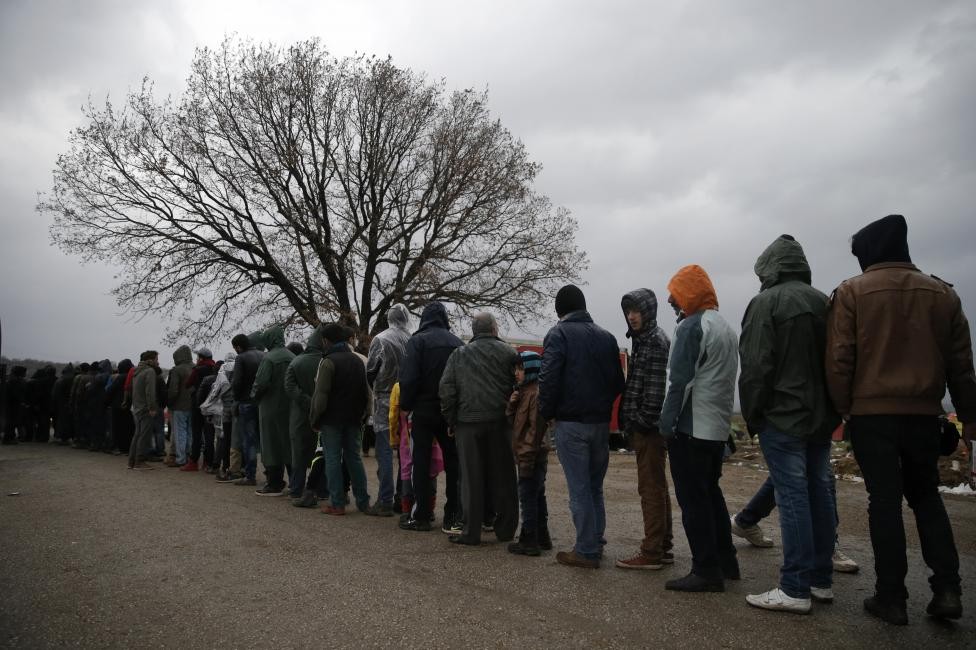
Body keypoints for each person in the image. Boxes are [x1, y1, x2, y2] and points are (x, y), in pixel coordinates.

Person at [826, 214, 976, 624]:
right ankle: (947, 590)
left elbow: (840, 359)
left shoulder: (852, 292)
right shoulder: (943, 294)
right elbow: (961, 365)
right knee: (927, 497)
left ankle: (890, 597)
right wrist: (969, 417)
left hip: (872, 416)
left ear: (869, 252)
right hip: (926, 415)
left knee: (885, 502)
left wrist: (843, 407)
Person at [738, 235, 839, 614]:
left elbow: (755, 366)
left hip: (782, 415)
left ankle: (794, 586)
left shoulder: (766, 303)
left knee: (793, 495)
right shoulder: (823, 301)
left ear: (768, 268)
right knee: (819, 491)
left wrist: (754, 414)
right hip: (821, 415)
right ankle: (820, 580)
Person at [659, 265, 739, 592]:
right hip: (717, 429)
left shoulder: (691, 327)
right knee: (711, 495)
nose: (674, 304)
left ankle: (705, 570)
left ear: (688, 294)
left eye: (676, 297)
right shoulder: (724, 327)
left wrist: (666, 425)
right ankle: (726, 560)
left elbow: (680, 382)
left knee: (693, 502)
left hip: (691, 429)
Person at [539, 285, 625, 569]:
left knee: (579, 489)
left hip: (571, 422)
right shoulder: (607, 337)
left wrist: (546, 413)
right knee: (594, 487)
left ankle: (586, 550)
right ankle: (595, 542)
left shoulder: (558, 334)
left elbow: (549, 378)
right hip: (600, 423)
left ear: (559, 310)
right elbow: (617, 382)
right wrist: (600, 405)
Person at [439, 313, 520, 546]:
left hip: (467, 423)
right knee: (504, 477)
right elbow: (519, 384)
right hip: (500, 422)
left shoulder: (459, 355)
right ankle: (505, 530)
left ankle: (471, 531)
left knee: (471, 479)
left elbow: (446, 390)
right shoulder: (509, 353)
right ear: (494, 329)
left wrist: (451, 419)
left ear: (474, 331)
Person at [615, 289, 673, 571]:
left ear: (648, 311)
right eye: (628, 311)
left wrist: (639, 420)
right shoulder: (643, 339)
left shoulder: (654, 341)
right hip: (646, 426)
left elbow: (654, 392)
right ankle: (664, 547)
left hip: (648, 429)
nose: (631, 316)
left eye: (636, 311)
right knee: (657, 487)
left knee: (650, 489)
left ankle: (652, 552)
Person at [397, 302, 464, 533]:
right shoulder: (458, 343)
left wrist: (405, 405)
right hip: (450, 412)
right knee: (454, 463)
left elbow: (409, 377)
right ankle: (453, 515)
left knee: (421, 462)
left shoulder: (417, 342)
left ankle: (422, 514)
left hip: (423, 410)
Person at [310, 323, 371, 515]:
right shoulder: (357, 361)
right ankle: (363, 502)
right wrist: (365, 414)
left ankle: (337, 503)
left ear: (326, 341)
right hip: (354, 417)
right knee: (354, 458)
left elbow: (321, 395)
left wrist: (315, 418)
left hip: (332, 419)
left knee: (333, 459)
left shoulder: (328, 362)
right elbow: (366, 392)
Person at [364, 304, 412, 517]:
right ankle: (403, 498)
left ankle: (384, 499)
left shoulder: (381, 339)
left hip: (385, 399)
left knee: (383, 450)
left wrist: (380, 386)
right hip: (407, 399)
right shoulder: (412, 339)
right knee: (404, 451)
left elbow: (371, 371)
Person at [506, 351, 551, 557]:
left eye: (521, 369)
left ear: (531, 370)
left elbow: (534, 432)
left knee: (528, 497)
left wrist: (526, 458)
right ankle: (542, 536)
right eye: (516, 369)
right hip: (530, 453)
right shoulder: (524, 393)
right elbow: (516, 423)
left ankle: (529, 538)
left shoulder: (535, 394)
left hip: (531, 455)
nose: (516, 373)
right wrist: (512, 404)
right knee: (537, 494)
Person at [284, 326, 326, 504]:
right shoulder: (326, 361)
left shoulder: (296, 362)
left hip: (299, 415)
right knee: (320, 452)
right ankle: (322, 488)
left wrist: (305, 401)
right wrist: (316, 404)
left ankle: (296, 488)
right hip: (322, 415)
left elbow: (289, 387)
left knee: (298, 452)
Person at [252, 327, 295, 496]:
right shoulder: (292, 356)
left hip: (270, 407)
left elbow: (261, 383)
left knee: (270, 445)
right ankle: (295, 481)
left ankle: (274, 483)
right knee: (289, 444)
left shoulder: (269, 359)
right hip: (290, 407)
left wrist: (254, 397)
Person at [230, 332, 265, 486]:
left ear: (238, 347)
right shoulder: (263, 355)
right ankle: (270, 473)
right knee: (264, 439)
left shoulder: (241, 358)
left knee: (249, 440)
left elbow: (236, 382)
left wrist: (236, 399)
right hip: (262, 402)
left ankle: (250, 475)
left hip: (246, 401)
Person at [128, 351, 160, 470]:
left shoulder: (137, 371)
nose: (158, 362)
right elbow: (150, 392)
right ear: (150, 360)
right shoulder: (149, 372)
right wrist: (152, 407)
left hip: (137, 407)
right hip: (145, 408)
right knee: (144, 435)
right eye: (157, 359)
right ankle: (139, 462)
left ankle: (131, 461)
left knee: (137, 434)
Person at [166, 346, 194, 467]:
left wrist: (169, 403)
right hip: (193, 405)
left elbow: (173, 390)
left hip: (179, 406)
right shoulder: (195, 368)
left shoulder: (177, 370)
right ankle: (189, 456)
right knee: (190, 432)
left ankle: (180, 458)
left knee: (179, 433)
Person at [107, 359, 135, 455]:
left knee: (117, 428)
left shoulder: (120, 377)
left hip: (117, 406)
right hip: (128, 405)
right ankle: (127, 447)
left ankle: (119, 447)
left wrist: (107, 402)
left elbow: (111, 390)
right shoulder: (132, 377)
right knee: (128, 427)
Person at [2, 365, 28, 444]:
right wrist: (22, 401)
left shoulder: (11, 380)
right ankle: (8, 438)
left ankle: (9, 437)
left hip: (11, 404)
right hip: (13, 405)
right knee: (11, 422)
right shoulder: (15, 382)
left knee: (11, 422)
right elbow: (16, 394)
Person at [51, 363, 76, 444]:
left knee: (60, 420)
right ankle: (65, 437)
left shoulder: (59, 379)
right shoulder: (70, 379)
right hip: (66, 402)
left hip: (59, 402)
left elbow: (54, 394)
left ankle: (60, 436)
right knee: (66, 421)